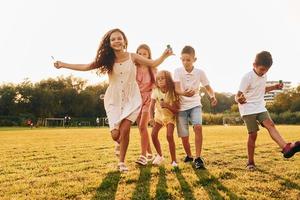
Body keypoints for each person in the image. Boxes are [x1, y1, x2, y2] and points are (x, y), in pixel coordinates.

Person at [54, 28, 173, 172]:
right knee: (116, 135)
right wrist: (63, 64)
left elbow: (153, 63)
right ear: (109, 43)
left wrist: (164, 56)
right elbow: (86, 66)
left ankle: (121, 162)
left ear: (124, 41)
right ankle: (119, 142)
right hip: (114, 99)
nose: (116, 41)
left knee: (126, 128)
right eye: (113, 39)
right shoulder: (107, 60)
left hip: (132, 97)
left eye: (119, 38)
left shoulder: (133, 57)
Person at [236, 51, 300, 170]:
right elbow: (237, 95)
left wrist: (275, 87)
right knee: (253, 135)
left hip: (260, 106)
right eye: (262, 69)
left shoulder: (264, 76)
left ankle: (286, 148)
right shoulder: (247, 77)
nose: (264, 72)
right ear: (254, 65)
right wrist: (239, 99)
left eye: (266, 70)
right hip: (248, 108)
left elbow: (261, 89)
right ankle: (250, 162)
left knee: (271, 125)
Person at [174, 45, 217, 169]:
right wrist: (183, 93)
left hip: (195, 104)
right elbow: (177, 89)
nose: (185, 62)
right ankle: (189, 155)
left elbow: (208, 88)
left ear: (194, 59)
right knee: (184, 135)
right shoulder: (177, 71)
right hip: (181, 106)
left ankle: (198, 158)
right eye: (183, 60)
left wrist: (212, 96)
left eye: (188, 60)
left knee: (198, 127)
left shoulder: (200, 72)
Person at [150, 70, 180, 167]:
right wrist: (151, 118)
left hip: (170, 116)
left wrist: (167, 106)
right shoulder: (156, 91)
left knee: (169, 136)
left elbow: (177, 110)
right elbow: (151, 106)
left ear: (168, 79)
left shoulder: (173, 92)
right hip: (159, 115)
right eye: (158, 79)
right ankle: (160, 155)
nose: (160, 80)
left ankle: (174, 161)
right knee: (153, 134)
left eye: (162, 78)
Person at [135, 44, 156, 165]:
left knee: (143, 126)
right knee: (141, 128)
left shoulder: (152, 68)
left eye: (145, 54)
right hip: (136, 100)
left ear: (148, 55)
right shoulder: (133, 68)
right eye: (139, 53)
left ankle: (143, 156)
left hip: (148, 99)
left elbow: (156, 85)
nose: (142, 56)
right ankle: (150, 154)